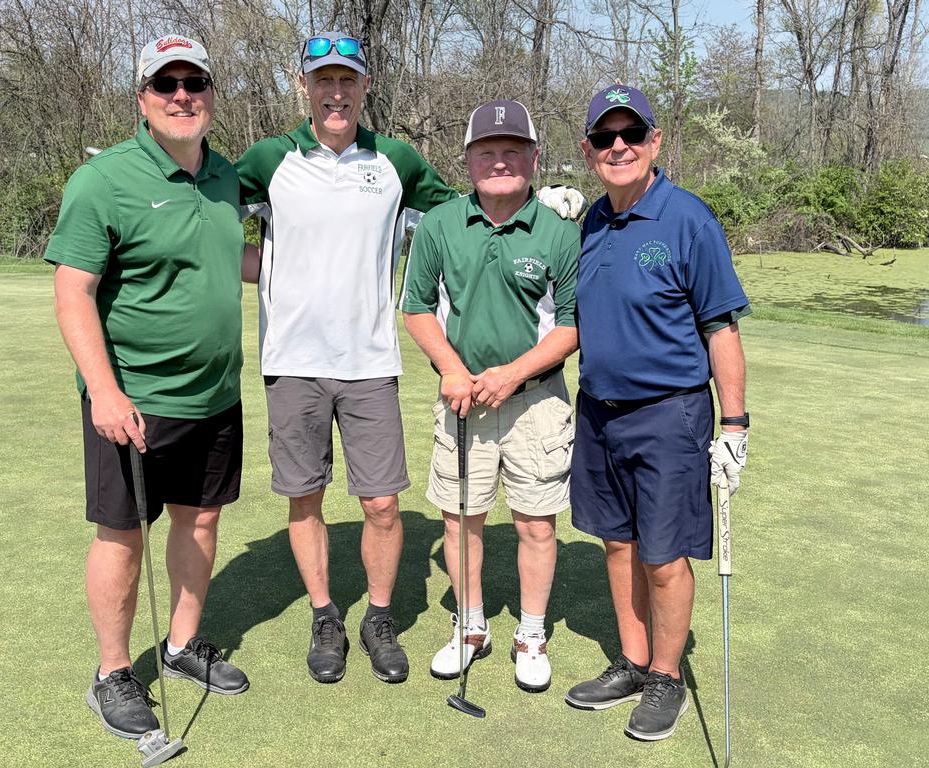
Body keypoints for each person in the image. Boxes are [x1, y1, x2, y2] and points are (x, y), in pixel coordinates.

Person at [234, 33, 584, 685]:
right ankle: (324, 617)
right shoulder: (268, 158)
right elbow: (204, 215)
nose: (336, 92)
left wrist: (543, 203)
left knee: (382, 506)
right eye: (323, 80)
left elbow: (470, 200)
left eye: (347, 80)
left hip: (370, 360)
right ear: (304, 86)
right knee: (305, 499)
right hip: (291, 357)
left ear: (364, 87)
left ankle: (379, 618)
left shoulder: (395, 160)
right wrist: (262, 265)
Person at [46, 35, 250, 740]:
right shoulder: (103, 180)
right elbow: (73, 292)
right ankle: (112, 674)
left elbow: (228, 255)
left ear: (212, 94)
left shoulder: (225, 176)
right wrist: (103, 392)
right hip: (133, 400)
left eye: (195, 82)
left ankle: (182, 645)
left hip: (215, 395)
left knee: (202, 520)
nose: (182, 95)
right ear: (142, 98)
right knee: (122, 536)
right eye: (166, 84)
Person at [564, 84, 750, 740]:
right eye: (605, 137)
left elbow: (721, 329)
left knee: (664, 555)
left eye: (632, 134)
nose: (619, 147)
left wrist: (734, 426)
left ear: (655, 141)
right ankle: (634, 661)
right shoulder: (591, 221)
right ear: (588, 150)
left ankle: (667, 676)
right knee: (619, 543)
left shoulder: (688, 219)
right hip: (599, 412)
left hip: (670, 414)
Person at [401, 100, 580, 693]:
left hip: (536, 401)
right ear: (468, 160)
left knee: (536, 525)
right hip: (462, 397)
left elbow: (571, 325)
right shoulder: (439, 225)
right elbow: (416, 308)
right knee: (460, 520)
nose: (499, 161)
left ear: (534, 157)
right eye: (486, 151)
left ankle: (531, 634)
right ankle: (471, 626)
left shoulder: (560, 232)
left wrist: (511, 374)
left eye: (512, 151)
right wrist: (452, 369)